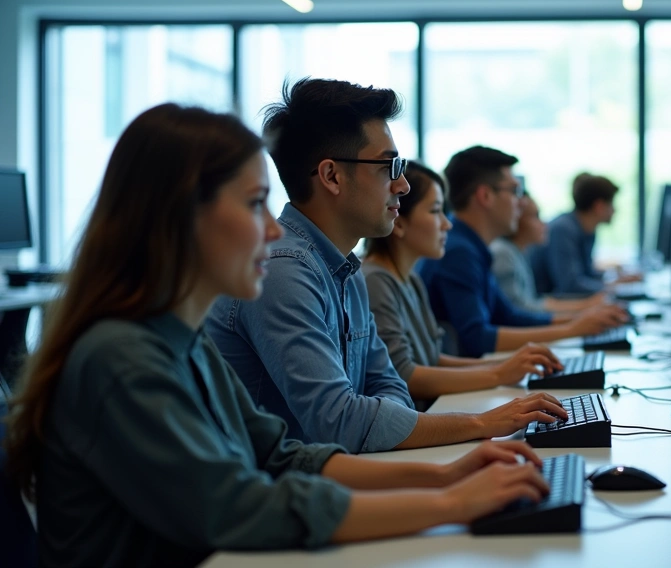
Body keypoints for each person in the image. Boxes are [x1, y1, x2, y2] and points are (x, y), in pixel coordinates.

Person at [2, 104, 550, 567]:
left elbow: (282, 455)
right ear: (178, 218)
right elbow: (237, 507)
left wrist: (447, 477)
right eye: (252, 204)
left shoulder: (182, 342)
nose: (270, 228)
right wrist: (451, 504)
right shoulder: (120, 357)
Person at [205, 79, 567, 454]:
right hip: (298, 497)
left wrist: (382, 422)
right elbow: (340, 422)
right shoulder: (283, 272)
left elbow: (388, 383)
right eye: (389, 165)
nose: (403, 185)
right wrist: (482, 423)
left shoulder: (346, 269)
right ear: (331, 176)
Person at [363, 161, 564, 408]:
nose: (447, 224)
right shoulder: (375, 280)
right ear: (399, 221)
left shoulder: (409, 278)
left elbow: (432, 359)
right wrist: (498, 374)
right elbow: (405, 375)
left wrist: (505, 367)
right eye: (436, 211)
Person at [418, 146, 630, 358]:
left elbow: (510, 316)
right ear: (485, 196)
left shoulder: (473, 247)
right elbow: (476, 338)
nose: (520, 203)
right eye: (514, 191)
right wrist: (572, 329)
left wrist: (580, 319)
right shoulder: (459, 252)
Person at [491, 192, 608, 314]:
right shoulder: (503, 254)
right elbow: (519, 312)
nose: (544, 224)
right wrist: (584, 308)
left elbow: (536, 302)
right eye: (535, 216)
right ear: (516, 217)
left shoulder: (519, 253)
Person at [530, 172, 643, 296]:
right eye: (611, 203)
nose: (614, 210)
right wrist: (613, 287)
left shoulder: (587, 230)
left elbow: (586, 273)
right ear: (599, 206)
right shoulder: (563, 230)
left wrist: (617, 279)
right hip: (549, 306)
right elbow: (570, 286)